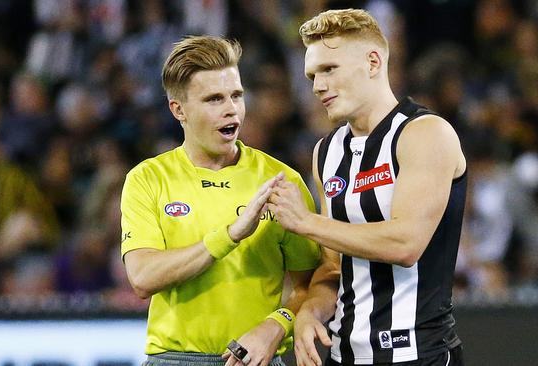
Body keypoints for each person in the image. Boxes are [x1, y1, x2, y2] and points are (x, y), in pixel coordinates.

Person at [267, 9, 467, 366]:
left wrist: (305, 222)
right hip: (343, 356)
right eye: (312, 75)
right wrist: (311, 312)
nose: (318, 86)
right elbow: (333, 265)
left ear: (373, 61)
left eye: (330, 69)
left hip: (418, 354)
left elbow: (406, 243)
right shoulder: (326, 152)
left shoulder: (425, 134)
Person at [120, 35, 321, 366]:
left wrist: (276, 325)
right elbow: (142, 277)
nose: (231, 109)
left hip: (258, 358)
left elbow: (311, 284)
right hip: (175, 359)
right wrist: (228, 236)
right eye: (214, 99)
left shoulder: (281, 180)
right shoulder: (148, 179)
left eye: (236, 96)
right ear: (178, 109)